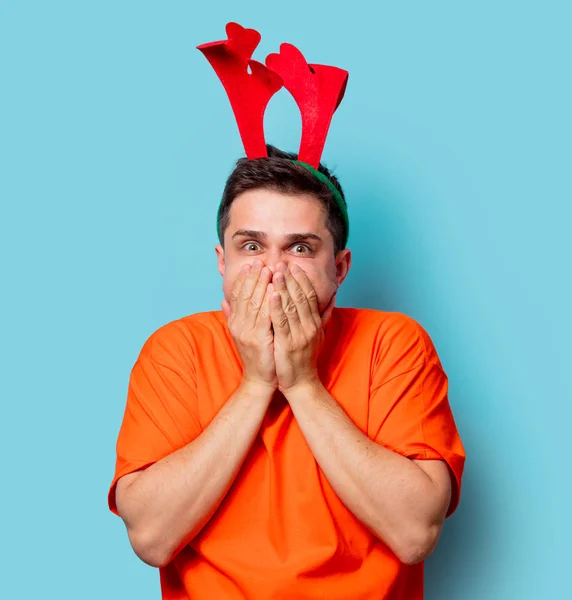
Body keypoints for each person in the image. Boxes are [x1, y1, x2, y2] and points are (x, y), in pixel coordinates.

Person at [108, 24, 466, 600]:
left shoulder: (393, 344)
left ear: (340, 267)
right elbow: (150, 536)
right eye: (252, 246)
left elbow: (414, 531)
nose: (273, 271)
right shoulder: (176, 351)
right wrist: (256, 383)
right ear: (221, 262)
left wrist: (300, 382)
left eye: (300, 248)